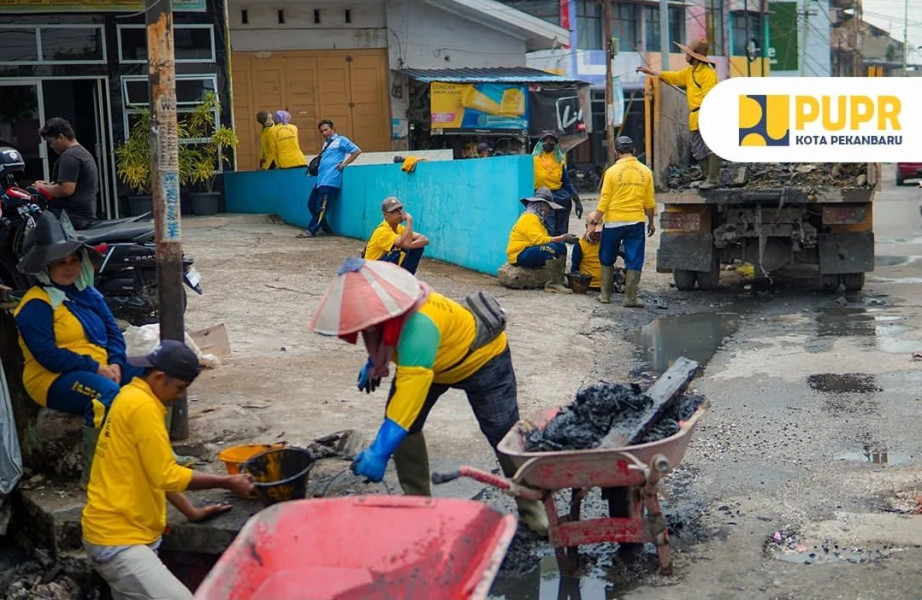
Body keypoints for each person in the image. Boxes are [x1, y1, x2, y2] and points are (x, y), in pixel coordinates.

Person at [309, 258, 549, 535]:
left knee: (503, 434)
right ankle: (417, 504)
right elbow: (388, 342)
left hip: (483, 359)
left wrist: (379, 451)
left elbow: (406, 402)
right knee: (406, 427)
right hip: (433, 362)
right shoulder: (393, 312)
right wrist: (373, 363)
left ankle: (532, 508)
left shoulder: (420, 326)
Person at [81, 340, 256, 600]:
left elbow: (154, 471)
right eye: (180, 388)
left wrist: (190, 511)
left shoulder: (130, 395)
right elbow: (167, 475)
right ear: (159, 377)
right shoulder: (143, 408)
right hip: (120, 541)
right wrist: (227, 482)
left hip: (118, 534)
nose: (181, 396)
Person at [13, 212, 140, 485]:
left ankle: (154, 456)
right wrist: (96, 368)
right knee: (106, 394)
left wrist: (116, 363)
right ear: (46, 266)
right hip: (52, 378)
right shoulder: (35, 304)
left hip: (100, 366)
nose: (69, 267)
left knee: (151, 377)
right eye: (60, 262)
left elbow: (113, 333)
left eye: (73, 260)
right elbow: (49, 356)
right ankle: (96, 474)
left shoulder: (89, 293)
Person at [636, 38, 721, 189]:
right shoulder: (690, 72)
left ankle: (713, 179)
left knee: (710, 147)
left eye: (687, 53)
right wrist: (650, 71)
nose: (685, 55)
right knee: (697, 148)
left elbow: (711, 96)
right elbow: (672, 77)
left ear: (694, 56)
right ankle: (707, 176)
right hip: (695, 116)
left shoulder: (708, 73)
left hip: (707, 113)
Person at [596, 136, 656, 307]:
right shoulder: (645, 171)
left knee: (607, 257)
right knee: (634, 258)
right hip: (635, 222)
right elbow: (649, 202)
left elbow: (605, 200)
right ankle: (630, 298)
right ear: (634, 151)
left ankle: (605, 296)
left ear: (616, 152)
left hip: (613, 222)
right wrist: (651, 221)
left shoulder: (611, 172)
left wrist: (596, 219)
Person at [506, 187, 579, 294]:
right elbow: (539, 240)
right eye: (548, 207)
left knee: (561, 246)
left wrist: (561, 240)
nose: (549, 211)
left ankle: (559, 279)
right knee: (550, 249)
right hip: (519, 254)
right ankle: (552, 284)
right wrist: (563, 237)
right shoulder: (529, 218)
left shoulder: (537, 220)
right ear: (541, 207)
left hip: (529, 250)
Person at [299, 119, 361, 238]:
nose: (324, 133)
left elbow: (356, 151)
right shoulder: (326, 144)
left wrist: (344, 164)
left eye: (326, 130)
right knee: (311, 204)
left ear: (333, 129)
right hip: (320, 181)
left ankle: (311, 230)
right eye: (322, 131)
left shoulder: (341, 140)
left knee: (322, 207)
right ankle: (326, 229)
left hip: (331, 180)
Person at [34, 117, 99, 229]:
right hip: (84, 215)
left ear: (61, 137)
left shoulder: (70, 156)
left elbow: (66, 189)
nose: (51, 146)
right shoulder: (81, 152)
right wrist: (49, 186)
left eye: (51, 142)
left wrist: (41, 188)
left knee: (36, 235)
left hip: (71, 217)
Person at [532, 130, 582, 235]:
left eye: (552, 141)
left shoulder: (559, 161)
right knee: (549, 228)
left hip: (560, 195)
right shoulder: (533, 160)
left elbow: (567, 182)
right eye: (546, 140)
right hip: (542, 196)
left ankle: (560, 248)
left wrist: (577, 200)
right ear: (540, 143)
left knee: (562, 229)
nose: (549, 143)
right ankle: (550, 249)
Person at [363, 196, 429, 275]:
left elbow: (424, 239)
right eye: (394, 211)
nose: (399, 213)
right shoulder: (382, 231)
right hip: (371, 272)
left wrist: (409, 245)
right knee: (398, 251)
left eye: (400, 209)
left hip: (381, 268)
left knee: (417, 247)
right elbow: (404, 243)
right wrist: (409, 220)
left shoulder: (399, 228)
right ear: (385, 215)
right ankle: (397, 280)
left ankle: (406, 278)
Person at [571, 210, 603, 291]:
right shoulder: (580, 245)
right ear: (586, 226)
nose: (597, 234)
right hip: (586, 285)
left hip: (605, 285)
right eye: (594, 232)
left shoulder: (608, 242)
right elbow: (575, 268)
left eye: (598, 232)